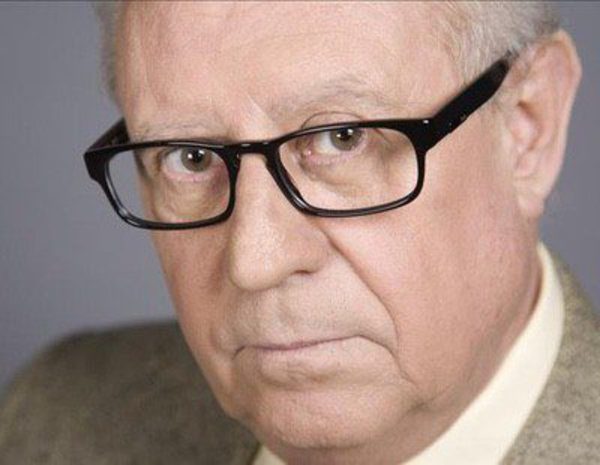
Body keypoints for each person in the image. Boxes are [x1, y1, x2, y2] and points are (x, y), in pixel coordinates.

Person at [0, 2, 597, 464]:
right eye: (190, 157)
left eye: (343, 137)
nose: (255, 262)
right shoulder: (50, 420)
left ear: (528, 126)